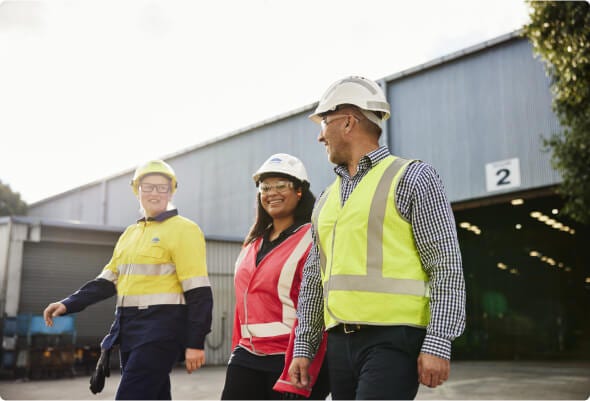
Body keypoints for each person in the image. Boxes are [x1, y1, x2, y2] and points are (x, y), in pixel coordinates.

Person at [288, 76, 466, 400]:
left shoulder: (413, 178)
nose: (319, 135)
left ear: (348, 122)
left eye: (324, 121)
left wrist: (439, 341)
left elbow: (445, 264)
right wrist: (304, 345)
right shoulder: (326, 200)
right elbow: (315, 277)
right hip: (339, 343)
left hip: (394, 339)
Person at [43, 160, 213, 400]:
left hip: (161, 330)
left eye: (162, 187)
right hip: (129, 329)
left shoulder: (185, 230)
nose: (154, 193)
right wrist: (68, 303)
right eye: (148, 187)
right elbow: (107, 280)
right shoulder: (129, 235)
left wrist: (196, 342)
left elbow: (199, 291)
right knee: (154, 395)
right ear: (137, 190)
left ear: (171, 191)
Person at [221, 153, 330, 400]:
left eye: (281, 185)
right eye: (265, 187)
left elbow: (317, 305)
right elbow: (242, 307)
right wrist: (235, 349)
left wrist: (307, 361)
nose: (272, 193)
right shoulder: (252, 244)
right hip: (246, 355)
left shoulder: (312, 237)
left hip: (290, 357)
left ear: (299, 190)